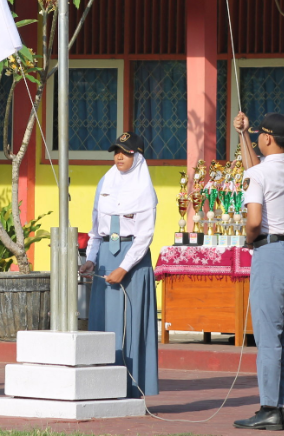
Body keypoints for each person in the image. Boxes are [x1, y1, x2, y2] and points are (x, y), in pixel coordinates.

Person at [233, 112, 284, 431]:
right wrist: (244, 135)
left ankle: (268, 407)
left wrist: (249, 239)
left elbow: (252, 220)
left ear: (266, 138)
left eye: (259, 136)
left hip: (270, 251)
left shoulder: (258, 175)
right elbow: (257, 169)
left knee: (268, 336)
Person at [78, 132, 159, 398]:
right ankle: (101, 387)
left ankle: (131, 388)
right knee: (103, 322)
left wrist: (123, 268)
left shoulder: (144, 188)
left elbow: (145, 235)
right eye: (116, 151)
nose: (119, 157)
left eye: (125, 152)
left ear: (138, 155)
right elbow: (96, 228)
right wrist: (91, 258)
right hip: (105, 257)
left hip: (132, 260)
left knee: (130, 326)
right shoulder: (105, 181)